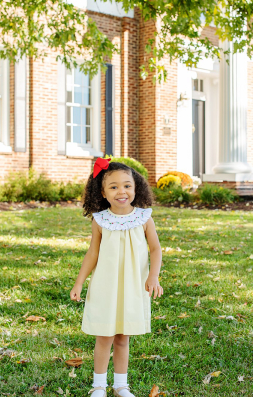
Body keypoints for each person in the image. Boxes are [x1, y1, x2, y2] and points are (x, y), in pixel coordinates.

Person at [70, 157, 163, 397]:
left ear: (136, 188)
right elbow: (93, 252)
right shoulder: (100, 220)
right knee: (105, 336)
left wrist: (154, 276)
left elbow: (156, 249)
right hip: (106, 286)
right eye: (113, 187)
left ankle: (121, 385)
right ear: (102, 192)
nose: (121, 191)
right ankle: (98, 385)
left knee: (123, 337)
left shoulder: (144, 217)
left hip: (133, 286)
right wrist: (79, 282)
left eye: (127, 185)